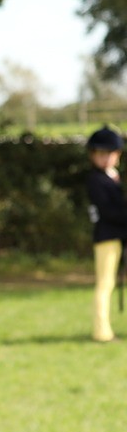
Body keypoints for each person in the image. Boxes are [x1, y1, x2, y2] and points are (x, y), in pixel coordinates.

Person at [85, 125, 127, 342]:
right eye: (100, 154)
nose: (105, 158)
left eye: (109, 154)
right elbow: (109, 211)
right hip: (107, 237)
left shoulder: (113, 177)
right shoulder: (96, 180)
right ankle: (101, 332)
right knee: (105, 283)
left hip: (119, 235)